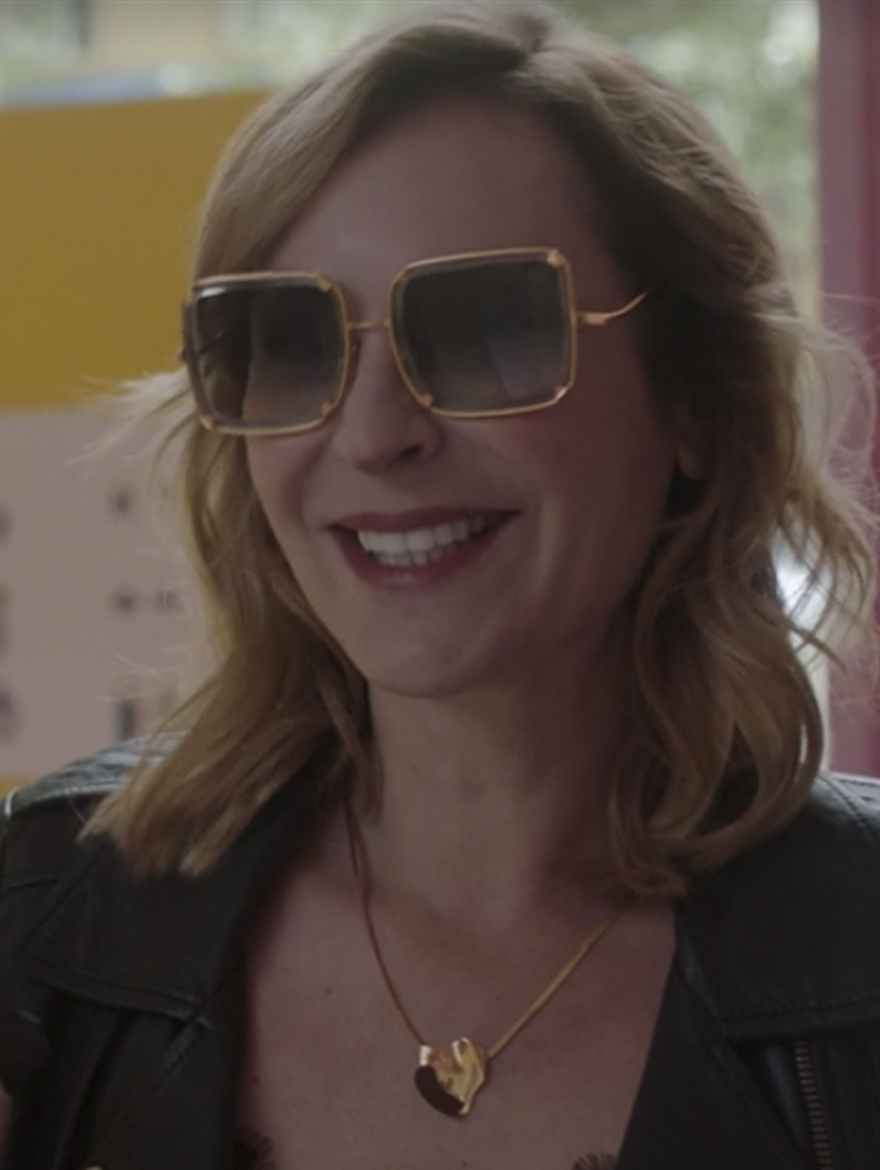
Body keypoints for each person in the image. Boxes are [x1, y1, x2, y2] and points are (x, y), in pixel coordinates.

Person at [2, 3, 879, 1167]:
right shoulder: (47, 916)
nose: (374, 434)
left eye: (483, 327)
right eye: (291, 340)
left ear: (696, 403)